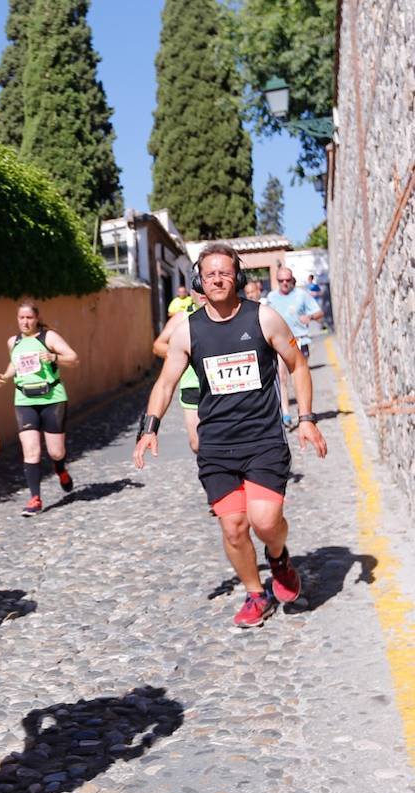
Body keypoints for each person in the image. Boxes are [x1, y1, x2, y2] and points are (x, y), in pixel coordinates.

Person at [134, 242, 327, 628]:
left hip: (263, 439)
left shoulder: (264, 318)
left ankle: (278, 557)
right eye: (210, 274)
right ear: (199, 282)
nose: (218, 279)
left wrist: (306, 418)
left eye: (225, 272)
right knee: (234, 527)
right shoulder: (188, 331)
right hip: (217, 445)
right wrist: (150, 427)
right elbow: (166, 381)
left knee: (266, 520)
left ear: (237, 276)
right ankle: (256, 594)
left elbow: (299, 364)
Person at [0, 302, 79, 516]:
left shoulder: (48, 337)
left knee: (56, 451)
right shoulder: (13, 342)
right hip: (24, 400)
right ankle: (35, 499)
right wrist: (5, 377)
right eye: (21, 318)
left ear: (37, 318)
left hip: (52, 399)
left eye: (29, 318)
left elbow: (74, 358)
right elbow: (14, 363)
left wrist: (53, 357)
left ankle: (60, 469)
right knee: (31, 450)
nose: (25, 322)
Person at [266, 267, 324, 426]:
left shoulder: (302, 295)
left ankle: (303, 411)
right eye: (281, 280)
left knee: (300, 376)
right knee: (281, 377)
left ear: (292, 280)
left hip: (299, 340)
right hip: (280, 343)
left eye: (287, 280)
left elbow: (320, 313)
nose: (284, 283)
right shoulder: (271, 297)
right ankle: (285, 413)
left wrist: (310, 316)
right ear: (277, 281)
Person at [152, 289, 205, 452]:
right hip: (192, 385)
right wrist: (183, 352)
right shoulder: (182, 318)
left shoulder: (231, 315)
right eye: (198, 286)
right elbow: (158, 345)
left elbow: (288, 339)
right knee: (197, 443)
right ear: (191, 292)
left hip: (225, 385)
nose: (202, 291)